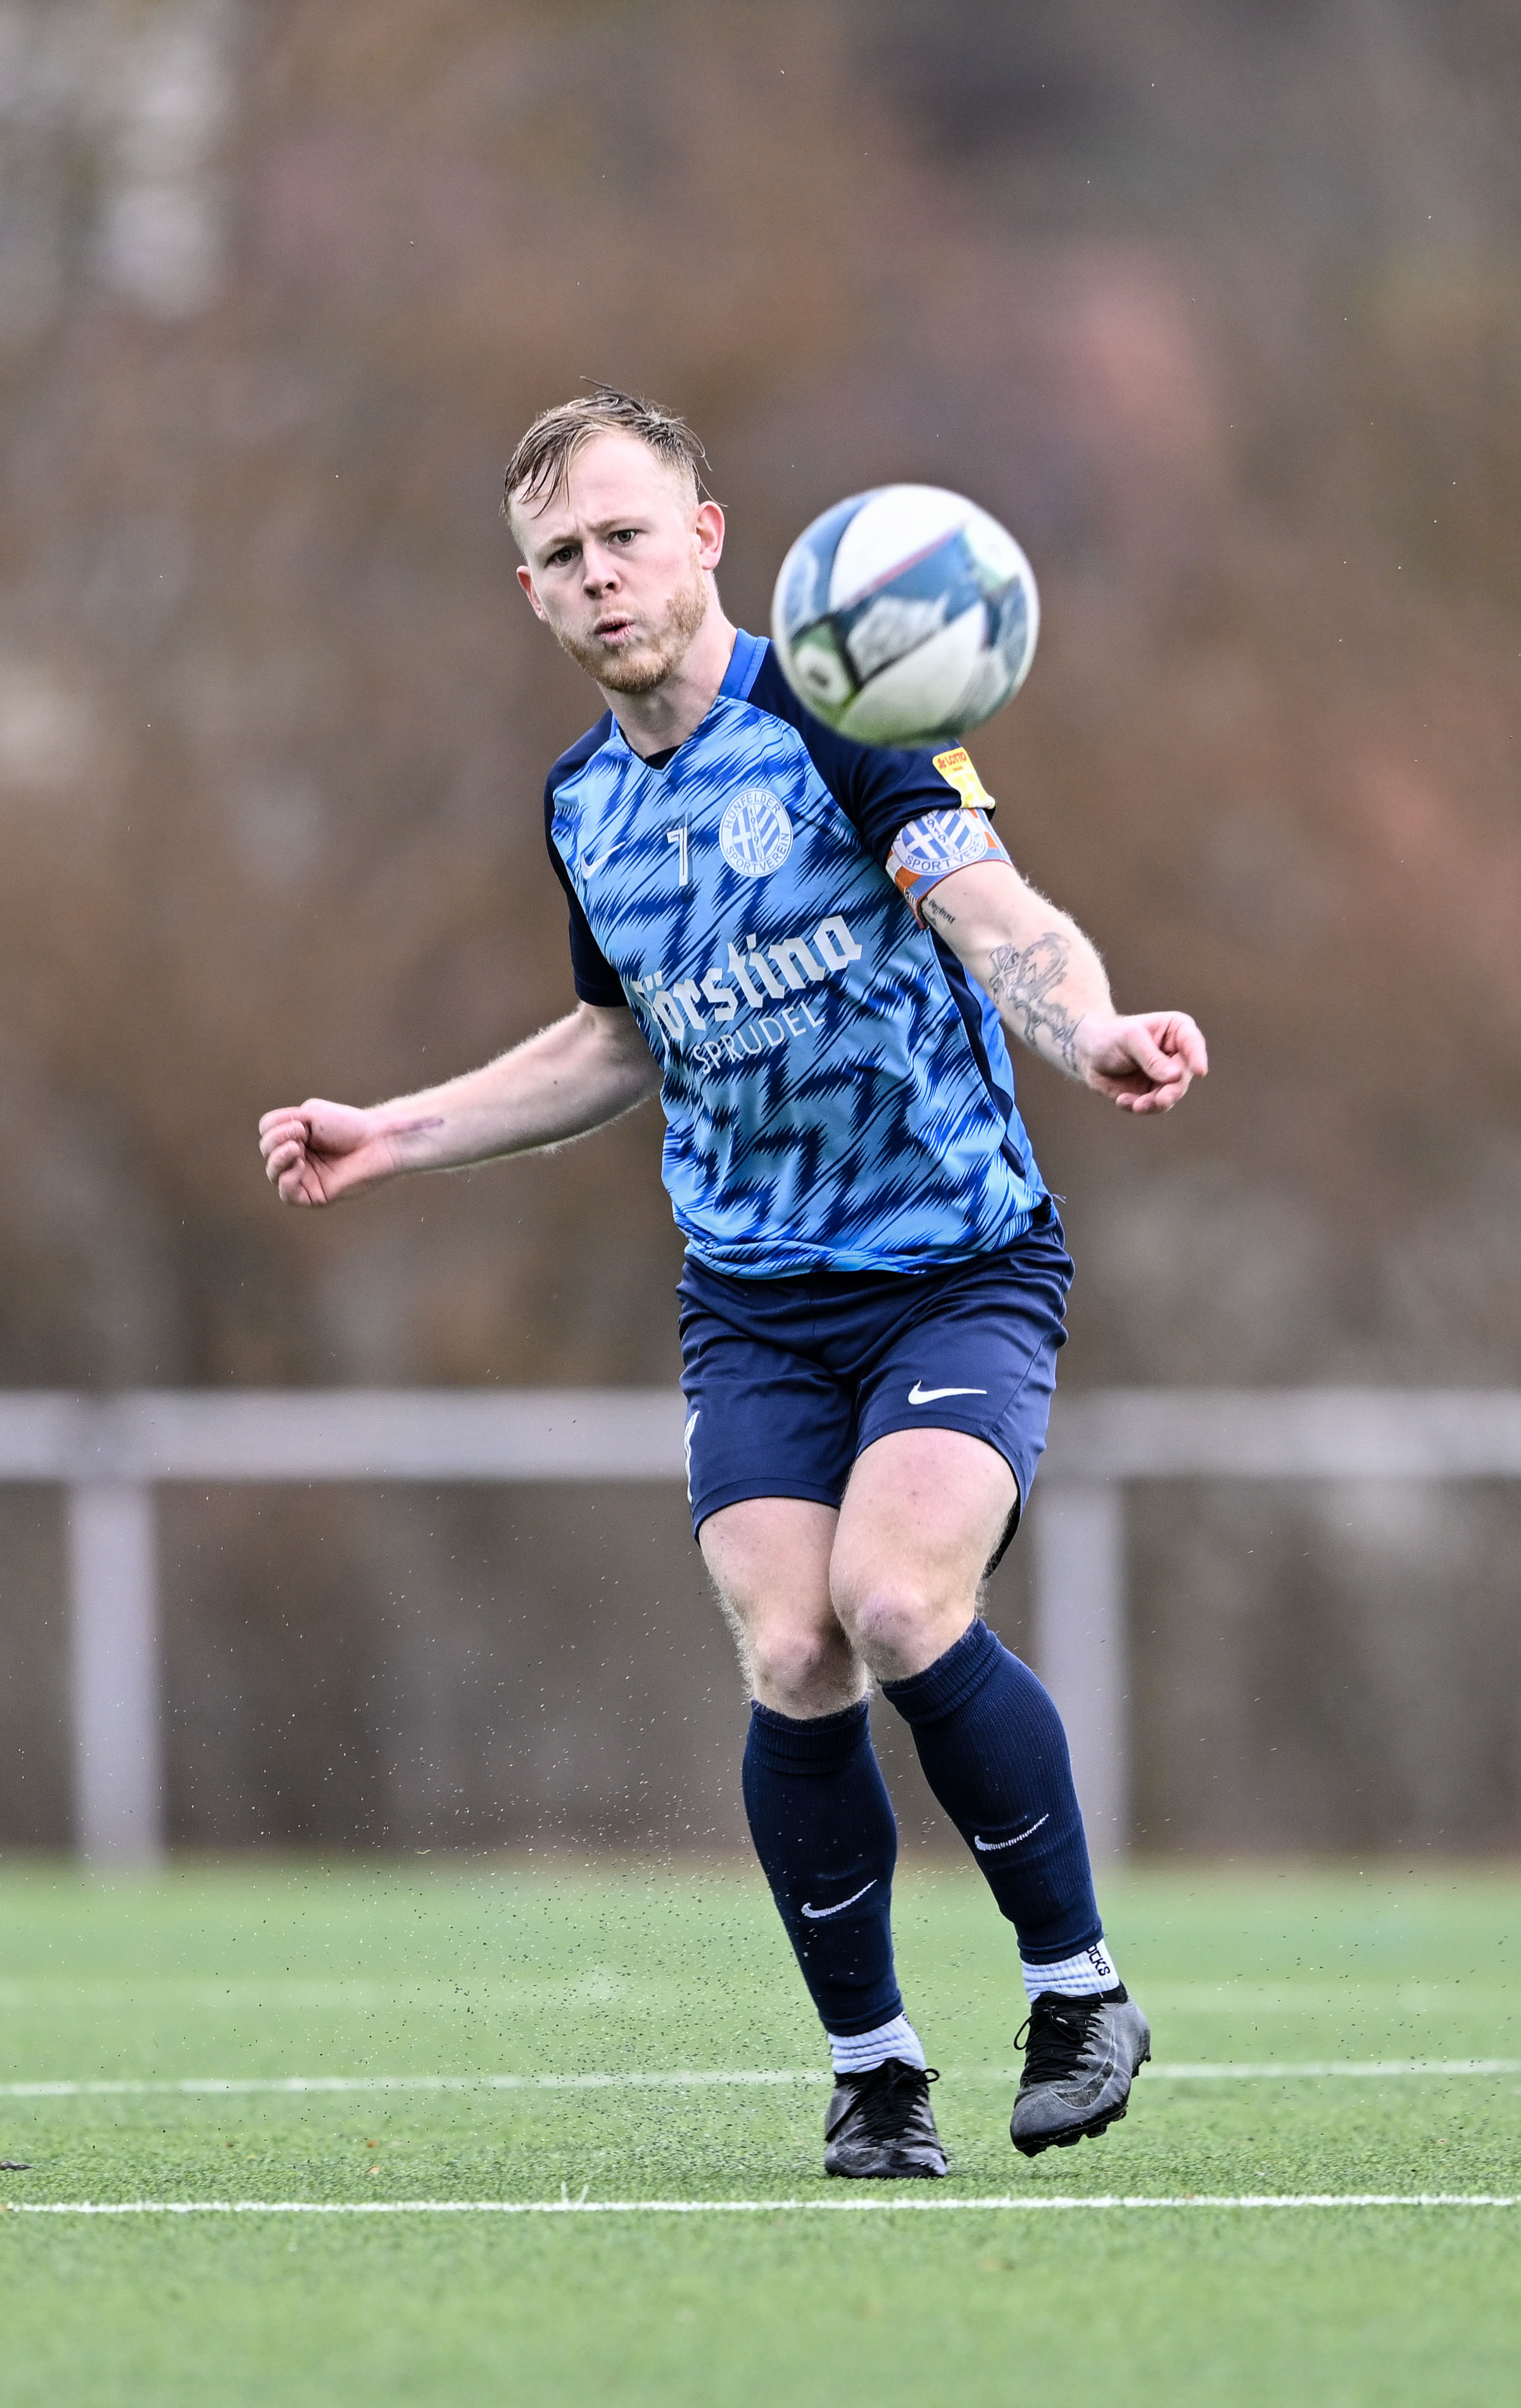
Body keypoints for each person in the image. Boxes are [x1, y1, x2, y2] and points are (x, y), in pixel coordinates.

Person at [259, 386, 1208, 2179]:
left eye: (626, 535)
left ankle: (1078, 1988)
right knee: (794, 1648)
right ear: (531, 595)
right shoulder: (582, 806)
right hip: (756, 1304)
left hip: (953, 1266)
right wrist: (397, 1130)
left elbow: (996, 910)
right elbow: (617, 1042)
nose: (600, 576)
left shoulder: (848, 722)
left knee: (899, 1605)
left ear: (705, 536)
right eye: (562, 556)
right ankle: (877, 2072)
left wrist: (1089, 1028)